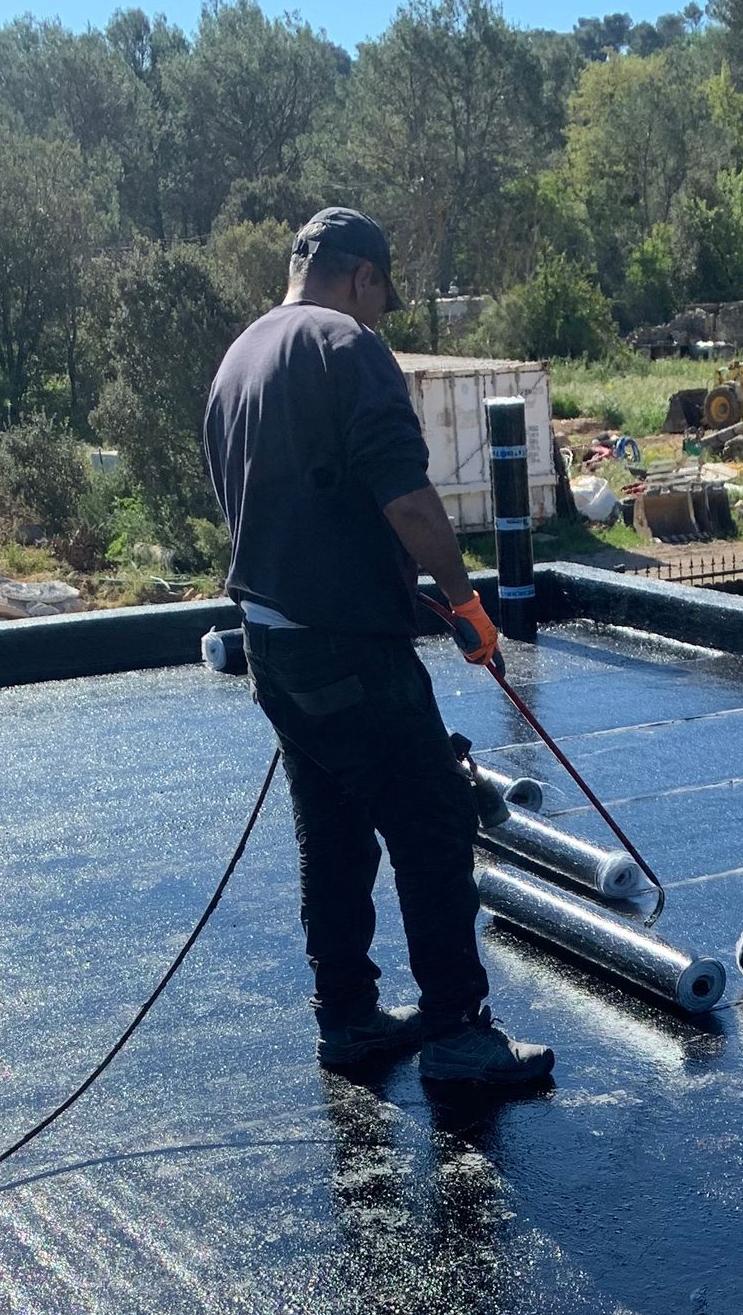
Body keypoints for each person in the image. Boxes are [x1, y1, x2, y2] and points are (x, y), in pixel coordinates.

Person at [204, 206, 554, 1096]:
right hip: (349, 651)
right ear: (361, 277)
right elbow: (406, 497)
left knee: (332, 828)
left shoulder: (237, 360)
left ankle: (349, 1019)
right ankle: (458, 1037)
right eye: (381, 299)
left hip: (273, 644)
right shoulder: (347, 349)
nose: (378, 316)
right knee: (433, 822)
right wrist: (468, 605)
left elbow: (281, 507)